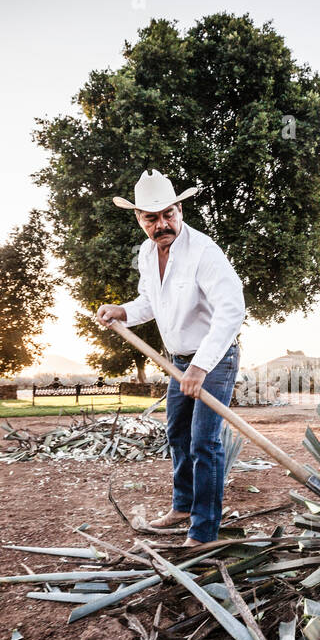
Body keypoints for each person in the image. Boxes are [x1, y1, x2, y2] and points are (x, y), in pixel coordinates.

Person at [96, 169, 246, 546]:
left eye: (168, 214)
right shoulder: (148, 253)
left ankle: (204, 531)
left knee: (204, 442)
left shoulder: (204, 252)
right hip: (177, 362)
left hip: (214, 359)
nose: (161, 224)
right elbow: (150, 302)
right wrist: (122, 311)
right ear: (139, 219)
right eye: (152, 217)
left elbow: (231, 311)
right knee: (177, 433)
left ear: (179, 209)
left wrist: (200, 366)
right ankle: (183, 507)